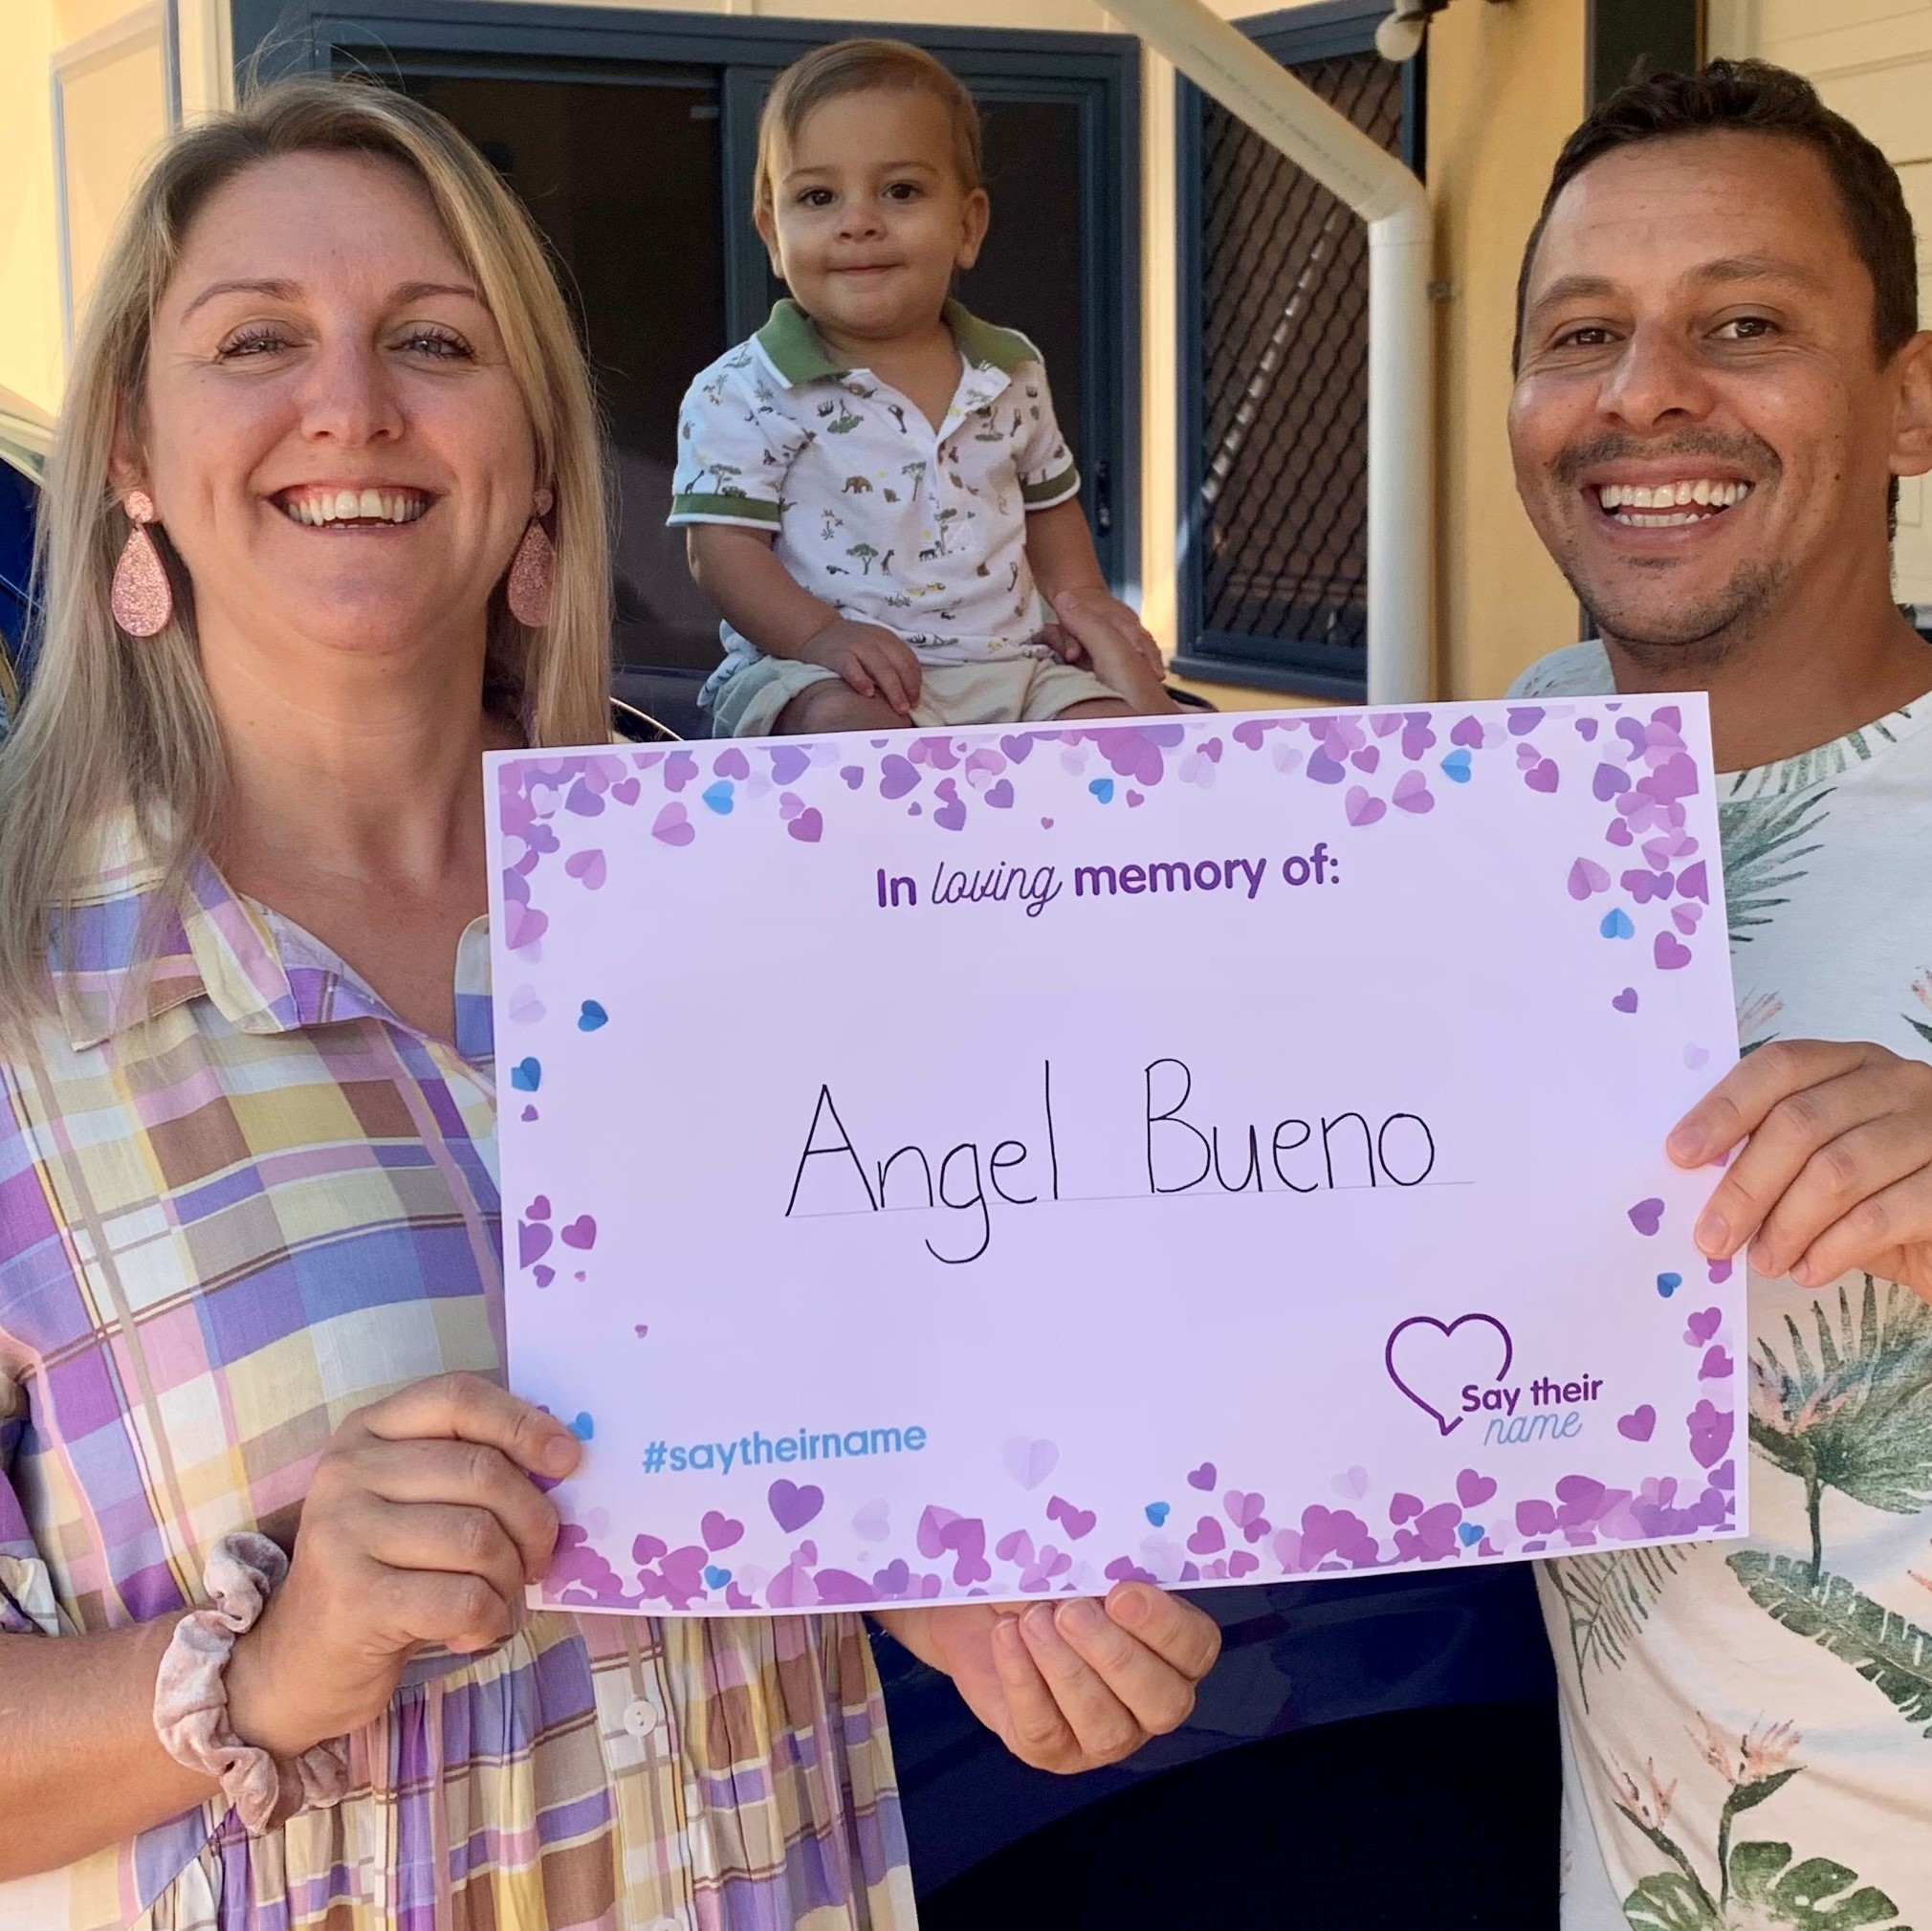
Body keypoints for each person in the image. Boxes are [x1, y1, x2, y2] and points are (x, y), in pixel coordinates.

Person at [0, 77, 1220, 1929]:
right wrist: (263, 1660)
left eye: (433, 338)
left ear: (540, 458)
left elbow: (821, 1428)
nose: (351, 402)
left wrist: (956, 1591)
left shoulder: (744, 913)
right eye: (257, 339)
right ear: (135, 458)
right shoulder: (23, 987)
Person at [1507, 60, 1932, 1925]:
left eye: (1741, 324)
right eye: (1579, 332)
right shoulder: (1497, 781)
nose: (1640, 392)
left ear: (1908, 401)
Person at [670, 38, 1175, 736]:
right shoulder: (742, 390)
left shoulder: (1012, 371)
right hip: (818, 672)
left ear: (966, 227)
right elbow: (721, 552)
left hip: (1014, 666)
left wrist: (1084, 602)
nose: (858, 222)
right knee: (844, 733)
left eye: (900, 191)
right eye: (818, 197)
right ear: (772, 237)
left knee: (1112, 731)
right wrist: (820, 637)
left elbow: (1050, 512)